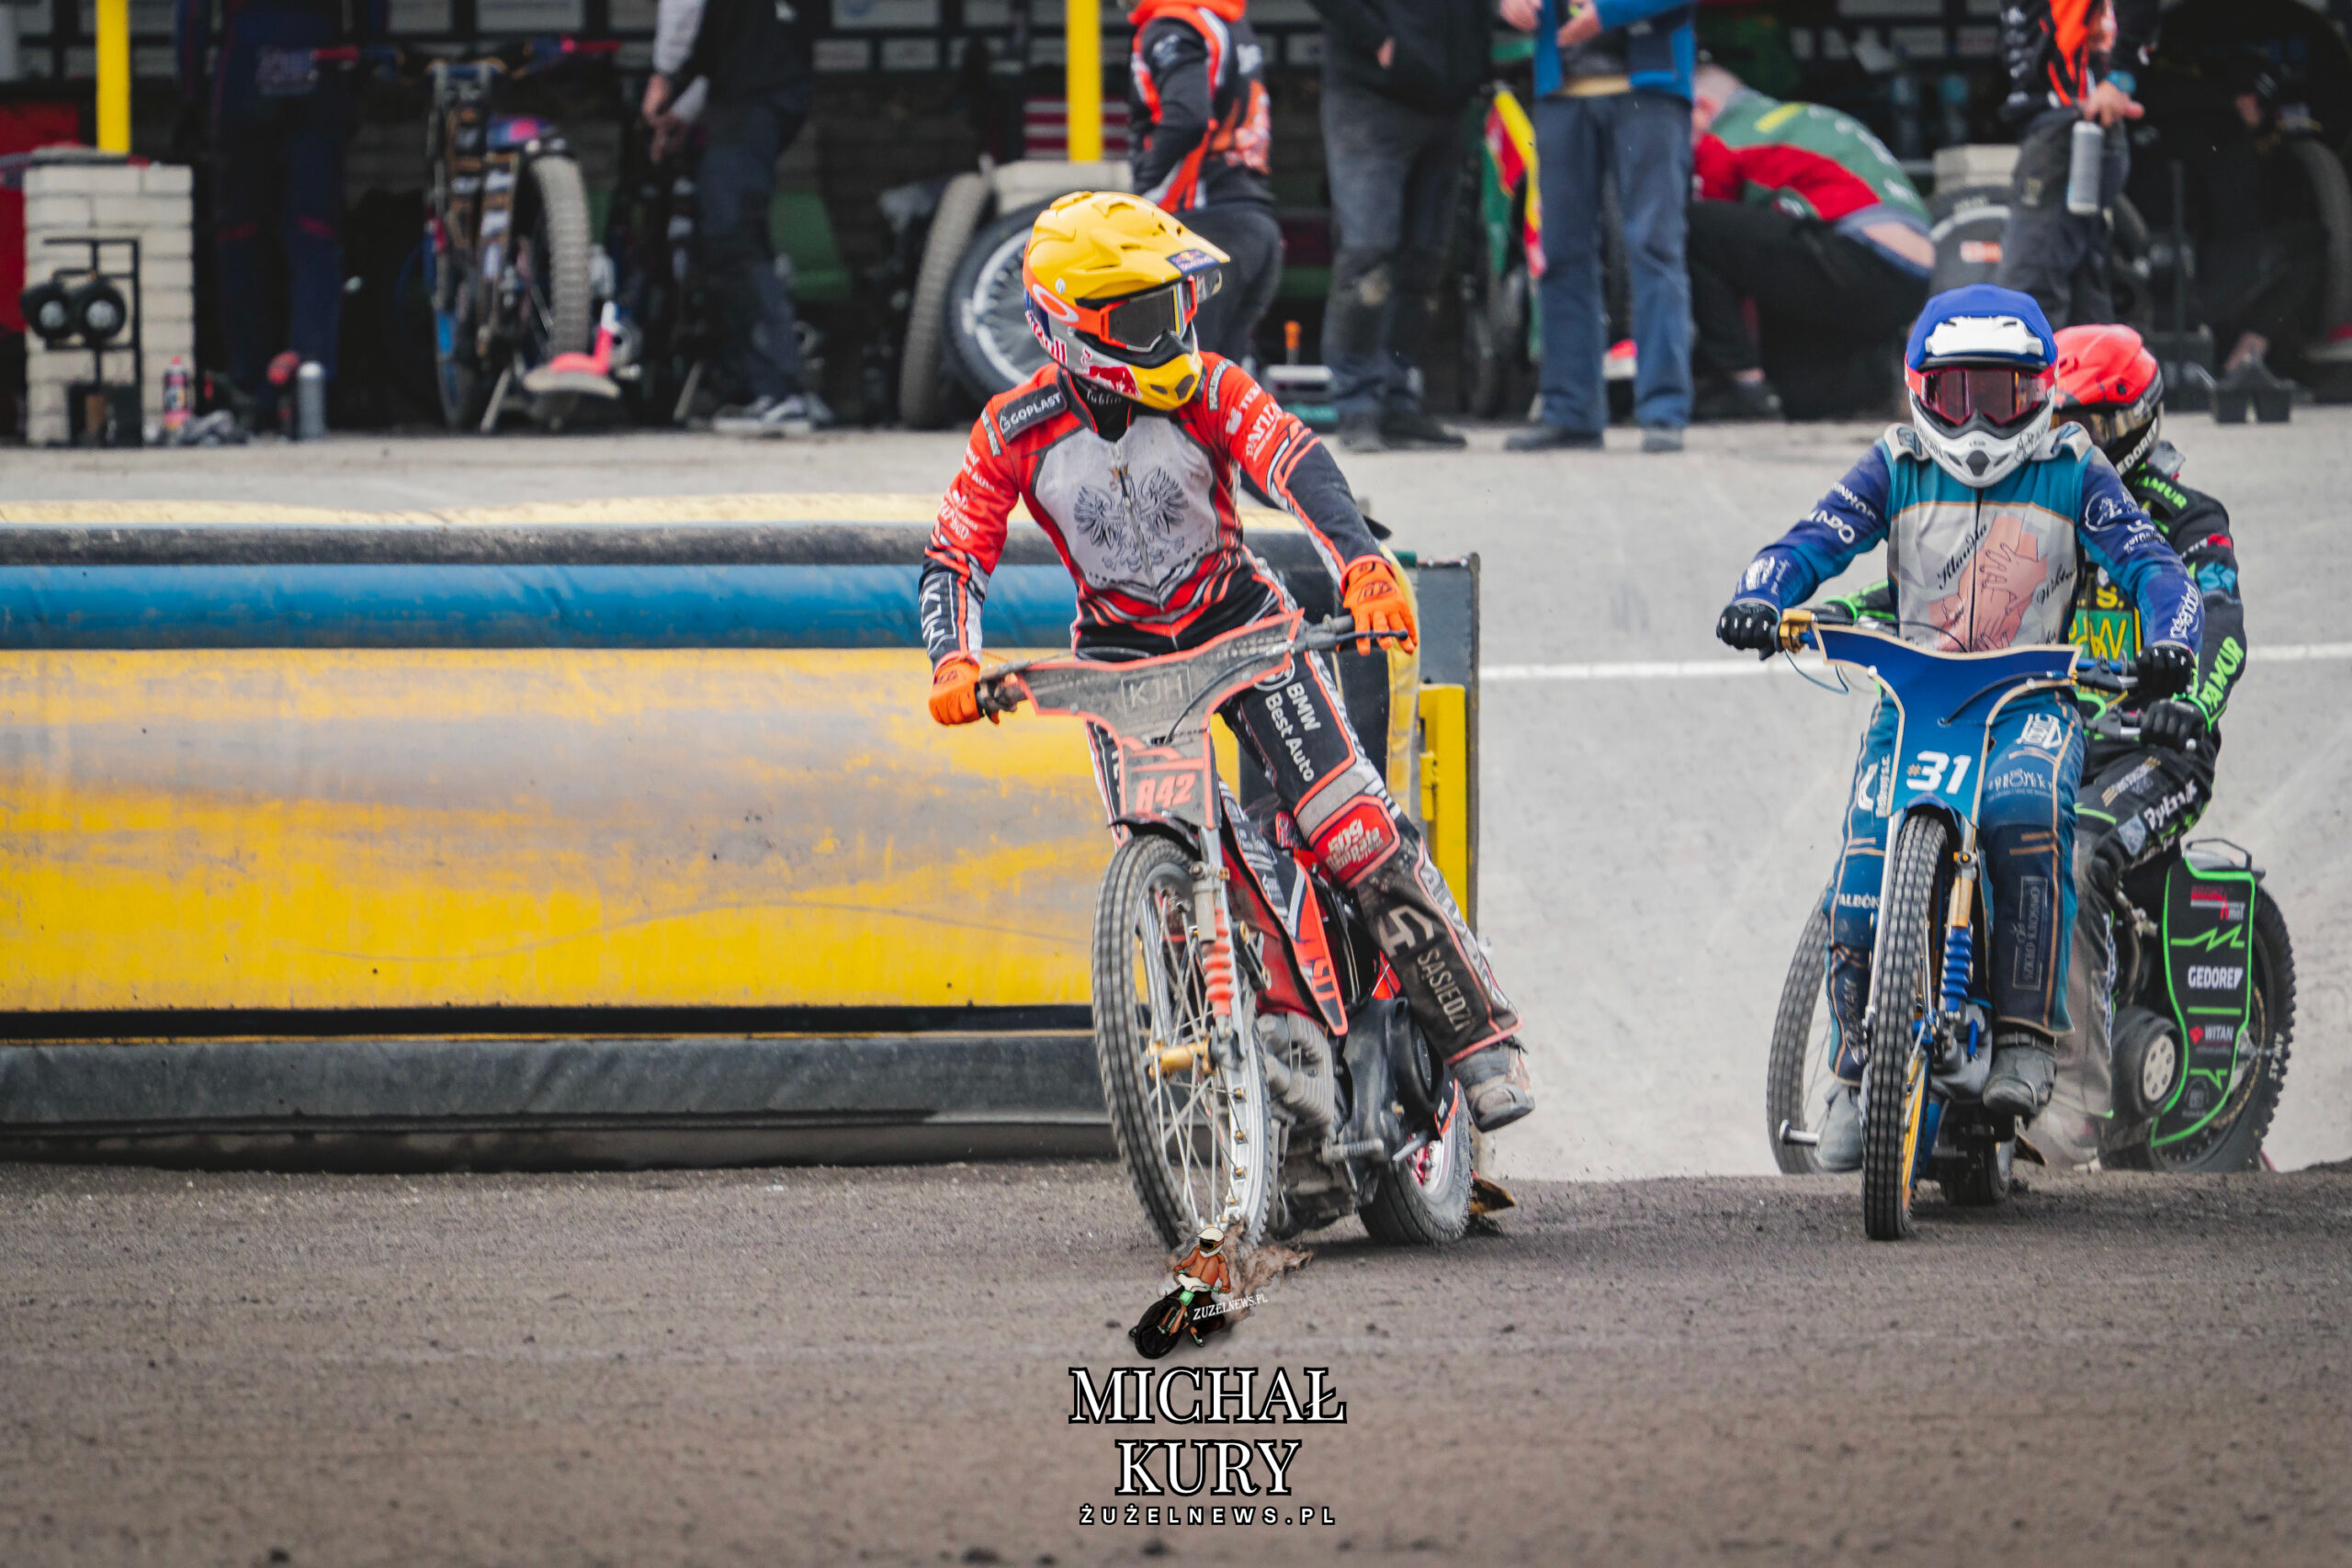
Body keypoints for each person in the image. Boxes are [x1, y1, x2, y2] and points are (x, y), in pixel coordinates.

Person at [920, 191, 1533, 1132]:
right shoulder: (1010, 428)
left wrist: (1362, 564)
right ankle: (1272, 1047)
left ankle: (1477, 1037)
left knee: (1353, 830)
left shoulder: (1210, 384)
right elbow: (955, 552)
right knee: (1177, 867)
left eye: (1175, 309)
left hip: (1246, 628)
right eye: (1142, 318)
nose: (1172, 335)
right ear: (1070, 330)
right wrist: (951, 661)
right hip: (1121, 663)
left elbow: (1295, 462)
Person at [1715, 285, 2200, 1168]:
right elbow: (1811, 539)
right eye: (1956, 392)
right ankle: (1857, 1071)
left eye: (2001, 393)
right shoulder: (1894, 461)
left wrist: (2172, 638)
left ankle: (2025, 1038)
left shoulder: (2073, 465)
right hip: (1912, 700)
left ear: (2041, 390)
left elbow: (2153, 564)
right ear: (1920, 389)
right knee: (1862, 866)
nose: (1977, 420)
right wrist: (1762, 593)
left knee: (2024, 813)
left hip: (2031, 702)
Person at [1685, 62, 1933, 423]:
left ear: (1702, 108)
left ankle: (1741, 384)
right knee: (1801, 397)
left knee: (1695, 224)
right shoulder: (1803, 117)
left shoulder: (1723, 139)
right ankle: (1876, 383)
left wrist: (1735, 360)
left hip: (1856, 255)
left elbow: (1717, 248)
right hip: (1913, 278)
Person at [1500, 0, 1696, 454]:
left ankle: (1663, 410)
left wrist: (1609, 12)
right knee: (1560, 252)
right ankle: (1570, 411)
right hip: (1561, 91)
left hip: (1649, 85)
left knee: (1655, 247)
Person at [175, 0, 385, 419]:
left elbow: (192, 14)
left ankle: (251, 382)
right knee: (315, 233)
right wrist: (361, 65)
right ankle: (311, 376)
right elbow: (374, 10)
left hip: (245, 67)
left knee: (240, 235)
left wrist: (191, 95)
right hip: (320, 61)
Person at [1307, 0, 1490, 452]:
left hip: (1447, 98)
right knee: (1368, 255)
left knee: (1424, 260)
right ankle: (1357, 403)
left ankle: (1396, 399)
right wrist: (1377, 39)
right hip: (1371, 93)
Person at [643, 0, 820, 435]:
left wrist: (663, 75)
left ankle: (779, 391)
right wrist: (684, 113)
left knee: (734, 236)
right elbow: (725, 52)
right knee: (730, 236)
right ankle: (748, 390)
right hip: (766, 88)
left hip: (754, 95)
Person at [1126, 0, 1280, 364]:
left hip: (1200, 227)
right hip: (1255, 225)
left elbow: (1187, 118)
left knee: (1175, 376)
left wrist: (1142, 191)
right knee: (1219, 383)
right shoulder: (1229, 21)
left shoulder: (1174, 23)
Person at [1993, 0, 2157, 327]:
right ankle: (2092, 362)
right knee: (2083, 293)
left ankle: (2034, 364)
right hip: (2060, 125)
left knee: (2027, 290)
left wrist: (2119, 78)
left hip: (2072, 125)